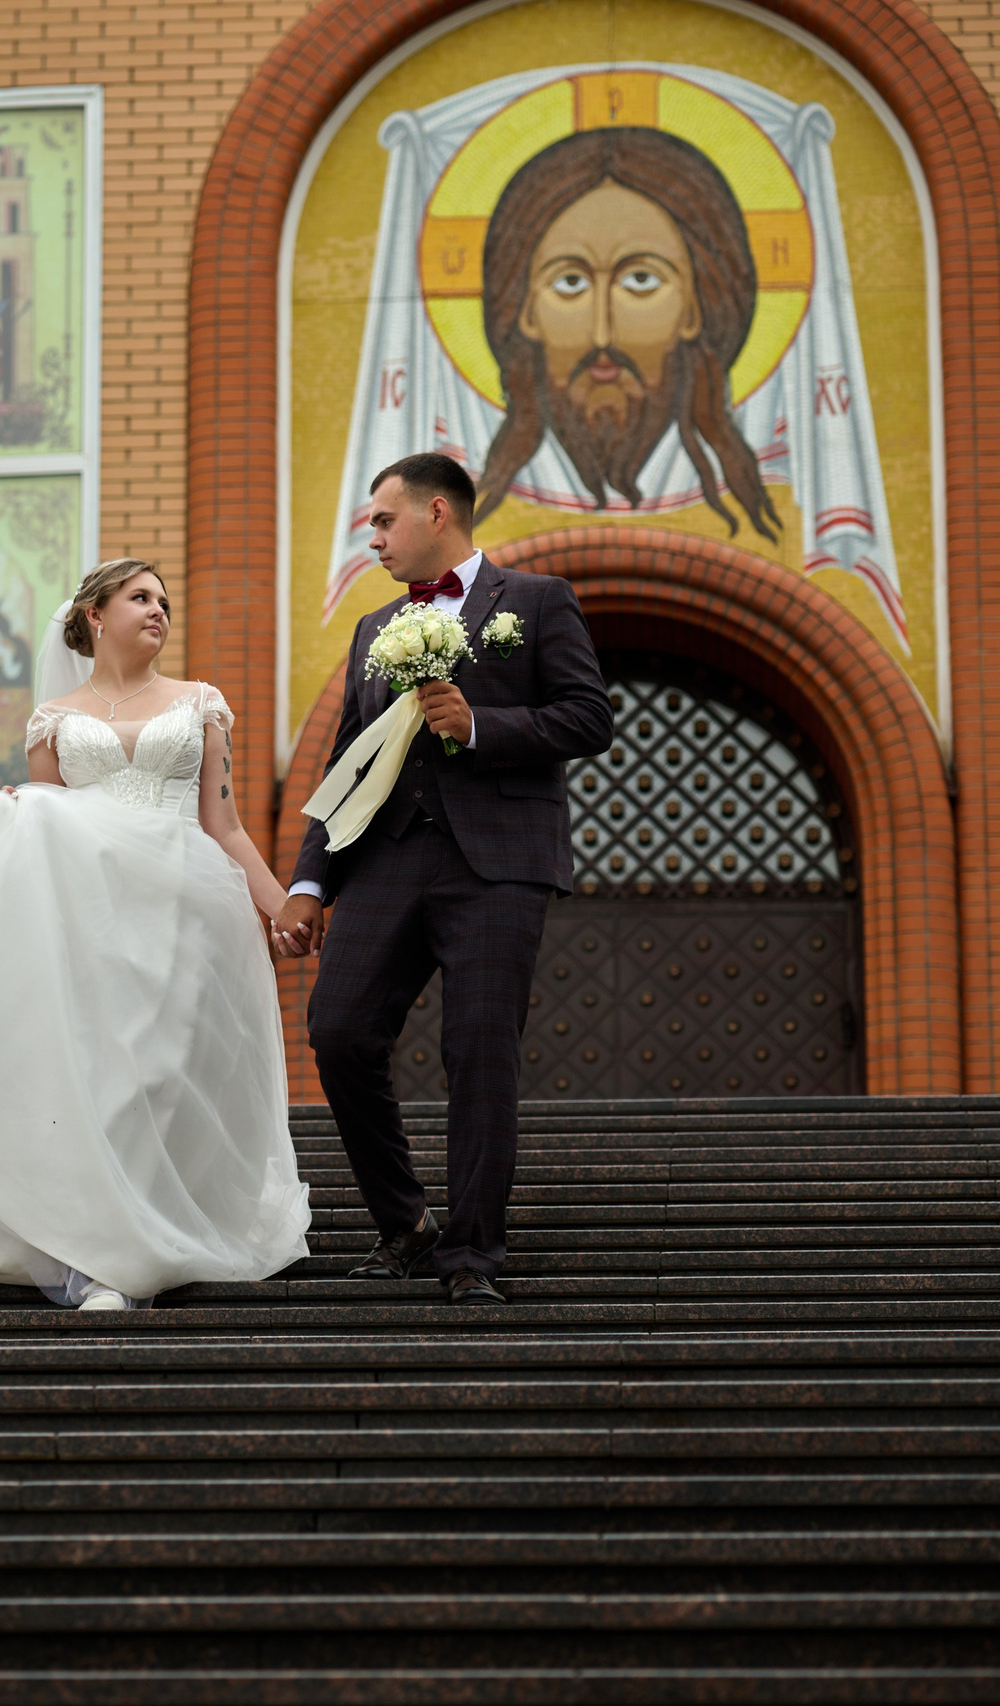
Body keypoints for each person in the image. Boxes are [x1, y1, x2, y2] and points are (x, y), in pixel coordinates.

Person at [0, 558, 313, 1310]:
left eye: (166, 602)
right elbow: (44, 831)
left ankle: (129, 1252)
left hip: (183, 908)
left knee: (159, 1070)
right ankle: (100, 1254)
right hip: (92, 920)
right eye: (141, 597)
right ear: (93, 617)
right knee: (105, 1079)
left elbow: (227, 825)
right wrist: (15, 808)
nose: (159, 611)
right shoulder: (54, 719)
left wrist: (284, 906)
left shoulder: (202, 704)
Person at [277, 453, 614, 1305]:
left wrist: (480, 724)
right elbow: (346, 762)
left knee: (478, 1053)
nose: (375, 539)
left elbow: (587, 717)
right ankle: (405, 1223)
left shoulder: (536, 604)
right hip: (388, 857)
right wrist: (312, 881)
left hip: (498, 862)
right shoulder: (370, 629)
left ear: (437, 513)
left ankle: (471, 1255)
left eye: (384, 523)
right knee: (339, 1031)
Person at [474, 126, 778, 543]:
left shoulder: (798, 503)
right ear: (526, 310)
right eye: (570, 283)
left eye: (640, 279)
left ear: (695, 309)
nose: (602, 334)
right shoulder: (461, 504)